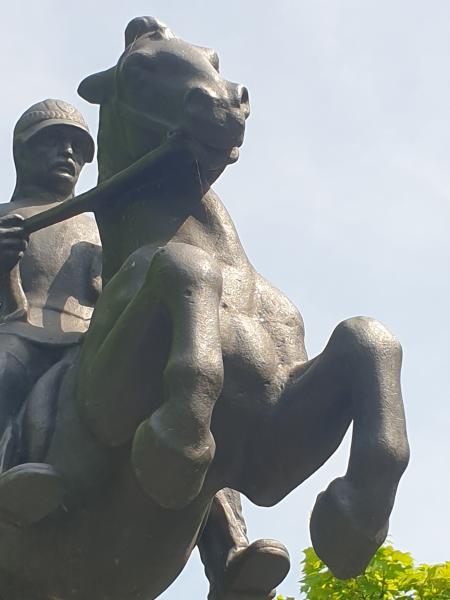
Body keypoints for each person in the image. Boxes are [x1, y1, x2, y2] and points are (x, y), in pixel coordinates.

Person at [0, 99, 289, 600]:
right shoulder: (7, 219)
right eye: (51, 141)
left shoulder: (98, 225)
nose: (67, 153)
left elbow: (120, 286)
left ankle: (228, 551)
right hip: (19, 332)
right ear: (21, 151)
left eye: (77, 146)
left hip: (92, 340)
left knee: (190, 407)